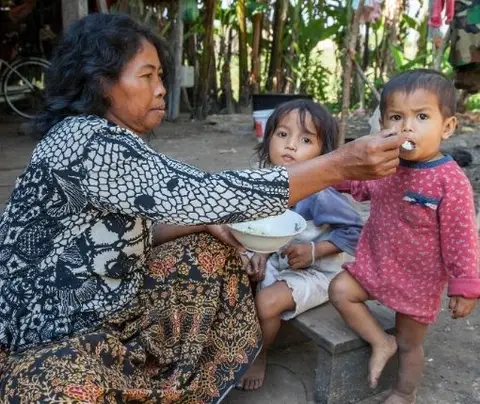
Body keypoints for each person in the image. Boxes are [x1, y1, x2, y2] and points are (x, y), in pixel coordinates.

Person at [0, 13, 406, 403]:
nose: (160, 88)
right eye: (146, 76)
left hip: (103, 304)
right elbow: (203, 191)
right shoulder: (86, 141)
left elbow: (132, 228)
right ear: (100, 82)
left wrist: (204, 224)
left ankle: (171, 378)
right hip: (42, 331)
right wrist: (338, 165)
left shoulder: (112, 141)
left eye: (160, 76)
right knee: (55, 389)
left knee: (211, 250)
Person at [328, 69, 480, 404]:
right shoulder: (385, 165)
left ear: (448, 126)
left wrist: (465, 284)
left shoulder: (450, 182)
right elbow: (360, 186)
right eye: (397, 117)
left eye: (422, 116)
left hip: (417, 281)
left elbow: (462, 238)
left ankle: (403, 392)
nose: (407, 127)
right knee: (339, 290)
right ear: (383, 124)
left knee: (411, 343)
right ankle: (382, 342)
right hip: (376, 266)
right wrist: (331, 173)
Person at [237, 100, 364, 391]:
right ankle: (241, 338)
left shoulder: (320, 194)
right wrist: (260, 253)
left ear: (323, 153)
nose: (290, 146)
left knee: (265, 303)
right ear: (267, 138)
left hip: (320, 274)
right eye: (282, 134)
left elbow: (358, 231)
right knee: (237, 274)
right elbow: (270, 228)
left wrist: (315, 251)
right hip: (282, 262)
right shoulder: (269, 183)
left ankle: (260, 354)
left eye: (305, 139)